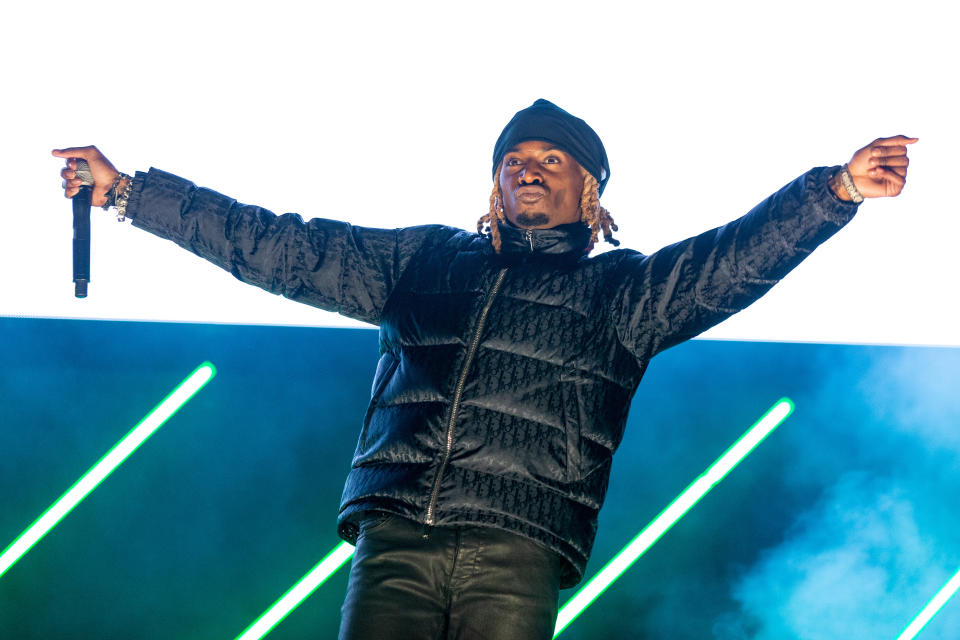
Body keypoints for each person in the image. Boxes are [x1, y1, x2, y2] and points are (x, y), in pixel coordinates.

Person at [54, 99, 916, 640]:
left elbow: (730, 261)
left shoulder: (624, 291)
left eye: (552, 162)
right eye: (515, 161)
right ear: (493, 185)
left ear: (591, 195)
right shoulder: (424, 262)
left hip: (518, 546)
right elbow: (278, 245)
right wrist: (131, 191)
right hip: (395, 541)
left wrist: (834, 190)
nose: (527, 170)